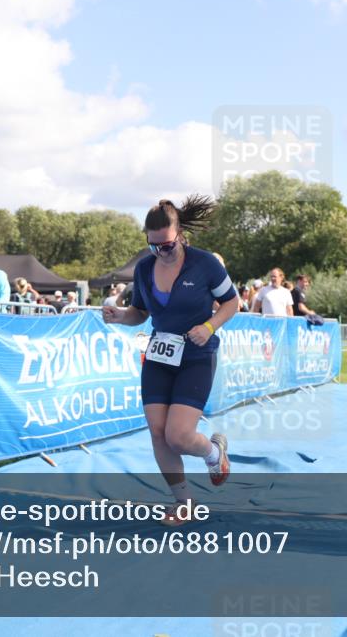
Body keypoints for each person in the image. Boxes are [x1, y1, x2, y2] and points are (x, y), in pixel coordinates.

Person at [102, 196, 240, 526]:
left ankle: (213, 454)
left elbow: (231, 303)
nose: (160, 252)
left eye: (166, 245)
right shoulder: (145, 269)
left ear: (180, 235)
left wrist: (208, 327)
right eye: (153, 247)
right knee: (158, 432)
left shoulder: (206, 264)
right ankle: (183, 502)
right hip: (160, 356)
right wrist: (122, 316)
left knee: (178, 436)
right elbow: (141, 313)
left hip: (196, 356)